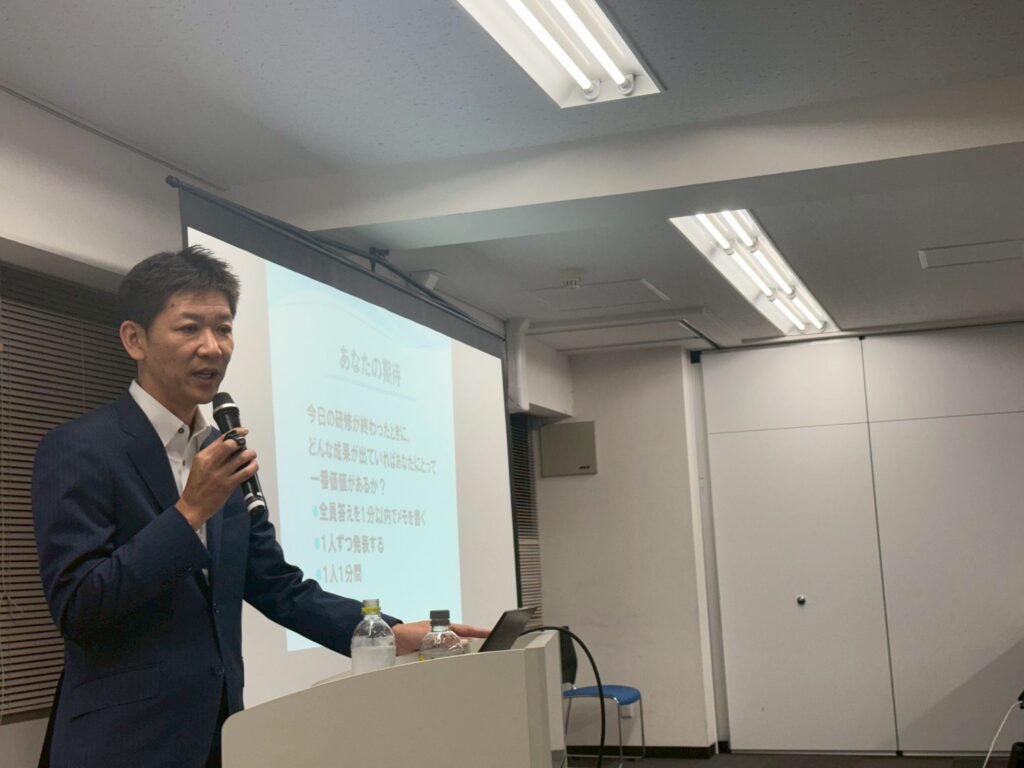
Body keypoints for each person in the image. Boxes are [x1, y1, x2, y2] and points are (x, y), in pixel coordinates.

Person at [32, 246, 486, 768]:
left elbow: (276, 585)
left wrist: (385, 633)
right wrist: (188, 513)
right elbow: (78, 606)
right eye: (189, 328)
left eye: (223, 329)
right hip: (120, 745)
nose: (213, 347)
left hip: (219, 736)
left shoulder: (221, 452)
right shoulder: (81, 448)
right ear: (135, 339)